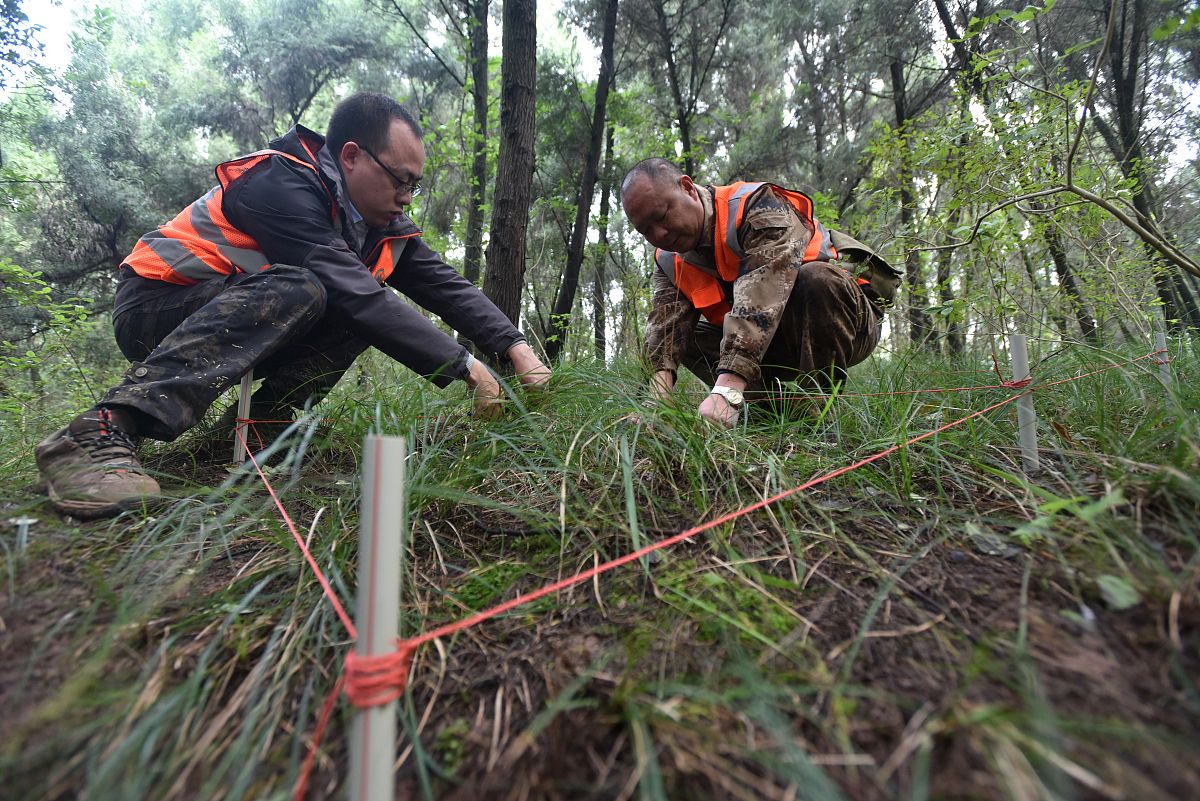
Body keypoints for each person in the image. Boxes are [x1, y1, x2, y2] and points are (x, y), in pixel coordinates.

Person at [36, 92, 549, 518]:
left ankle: (256, 441)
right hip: (156, 303)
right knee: (319, 289)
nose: (407, 197)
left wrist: (517, 347)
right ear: (351, 155)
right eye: (401, 180)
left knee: (363, 310)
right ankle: (102, 430)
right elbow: (344, 285)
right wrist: (467, 368)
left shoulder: (380, 229)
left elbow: (448, 288)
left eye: (415, 185)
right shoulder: (279, 182)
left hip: (229, 306)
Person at [620, 158, 896, 428]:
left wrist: (727, 390)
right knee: (690, 337)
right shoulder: (669, 260)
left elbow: (762, 296)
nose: (659, 234)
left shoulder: (758, 205)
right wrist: (657, 401)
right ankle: (772, 414)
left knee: (817, 279)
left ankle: (818, 414)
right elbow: (664, 333)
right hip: (773, 344)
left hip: (848, 324)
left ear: (688, 188)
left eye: (662, 216)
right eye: (645, 231)